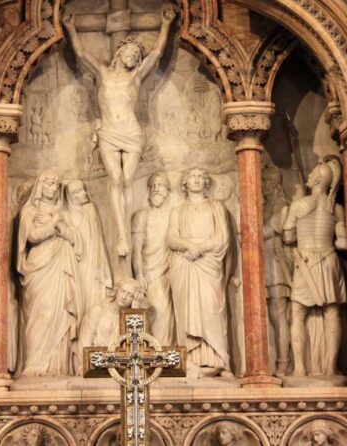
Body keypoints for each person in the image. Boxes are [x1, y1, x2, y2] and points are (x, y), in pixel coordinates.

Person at [63, 6, 177, 256]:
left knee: (127, 181)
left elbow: (157, 52)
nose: (133, 56)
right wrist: (71, 27)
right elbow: (81, 53)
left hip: (131, 132)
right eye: (130, 52)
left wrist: (166, 24)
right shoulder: (103, 73)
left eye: (136, 54)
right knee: (116, 180)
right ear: (120, 52)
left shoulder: (136, 77)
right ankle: (122, 235)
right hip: (109, 132)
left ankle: (124, 230)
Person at [283, 158, 347, 377]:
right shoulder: (335, 208)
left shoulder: (299, 205)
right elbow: (343, 242)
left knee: (298, 312)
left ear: (319, 178)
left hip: (307, 260)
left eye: (311, 173)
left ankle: (300, 367)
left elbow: (288, 235)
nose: (308, 176)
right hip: (329, 260)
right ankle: (330, 367)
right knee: (332, 313)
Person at [167, 167, 233, 378]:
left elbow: (222, 237)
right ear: (185, 182)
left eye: (200, 176)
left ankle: (219, 361)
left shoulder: (216, 206)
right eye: (191, 176)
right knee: (186, 312)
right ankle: (190, 362)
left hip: (207, 262)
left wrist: (199, 249)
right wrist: (188, 246)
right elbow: (171, 238)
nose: (196, 180)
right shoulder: (178, 210)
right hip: (184, 264)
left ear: (206, 182)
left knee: (211, 309)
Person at [15, 170, 81, 377]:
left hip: (60, 265)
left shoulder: (63, 212)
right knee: (41, 313)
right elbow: (32, 236)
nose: (53, 187)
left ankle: (56, 367)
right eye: (49, 183)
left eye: (56, 184)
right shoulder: (30, 211)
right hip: (40, 267)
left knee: (59, 312)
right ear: (40, 186)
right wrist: (54, 223)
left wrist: (58, 222)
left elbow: (74, 239)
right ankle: (34, 365)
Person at [131, 172, 175, 345]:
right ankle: (157, 356)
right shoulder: (141, 215)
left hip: (170, 271)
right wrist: (139, 274)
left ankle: (166, 355)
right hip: (150, 273)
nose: (156, 189)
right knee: (157, 311)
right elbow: (136, 248)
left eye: (161, 185)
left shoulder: (174, 214)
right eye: (153, 186)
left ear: (168, 191)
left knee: (170, 314)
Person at [64, 179, 113, 316]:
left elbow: (98, 238)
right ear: (68, 196)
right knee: (78, 293)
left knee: (94, 294)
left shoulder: (90, 209)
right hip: (74, 263)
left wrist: (102, 265)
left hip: (92, 260)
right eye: (78, 191)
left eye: (83, 189)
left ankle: (94, 329)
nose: (84, 193)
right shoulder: (64, 215)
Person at [262, 167, 292, 376]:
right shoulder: (265, 206)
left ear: (273, 184)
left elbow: (268, 230)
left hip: (275, 262)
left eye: (264, 182)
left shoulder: (282, 206)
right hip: (263, 261)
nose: (261, 186)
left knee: (278, 314)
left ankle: (283, 362)